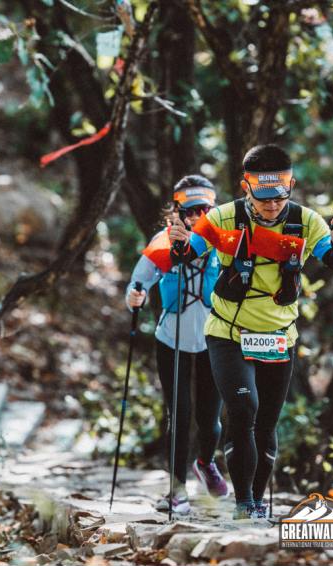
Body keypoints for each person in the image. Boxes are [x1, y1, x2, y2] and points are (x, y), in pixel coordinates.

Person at [168, 144, 333, 519]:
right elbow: (189, 255)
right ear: (246, 187)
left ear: (291, 186)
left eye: (279, 198)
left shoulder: (306, 221)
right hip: (228, 333)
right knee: (243, 409)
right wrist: (178, 243)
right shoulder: (222, 217)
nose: (272, 207)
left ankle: (255, 501)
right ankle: (243, 504)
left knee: (266, 423)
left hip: (279, 336)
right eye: (264, 199)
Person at [125, 174, 229, 517]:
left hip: (214, 340)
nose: (198, 217)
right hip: (171, 340)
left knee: (210, 418)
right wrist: (135, 296)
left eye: (205, 210)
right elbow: (137, 283)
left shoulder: (223, 243)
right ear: (178, 211)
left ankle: (205, 462)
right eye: (191, 210)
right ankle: (176, 492)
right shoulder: (162, 242)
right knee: (179, 415)